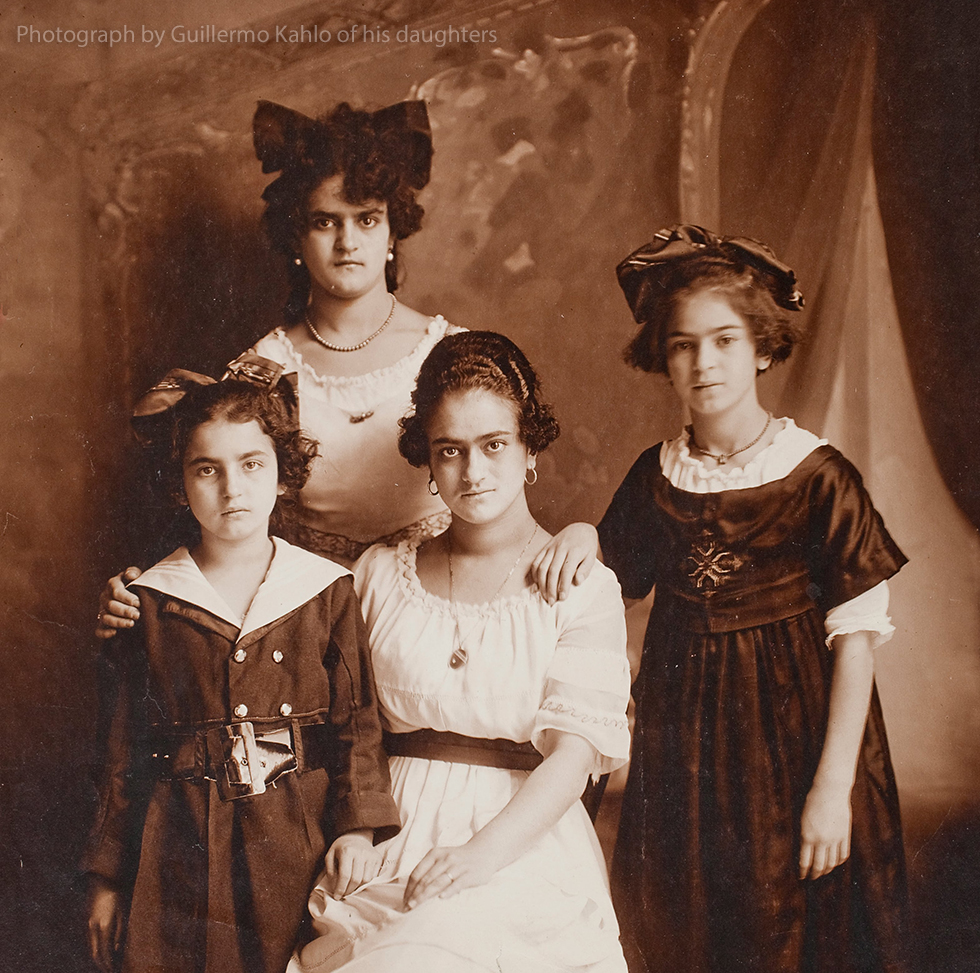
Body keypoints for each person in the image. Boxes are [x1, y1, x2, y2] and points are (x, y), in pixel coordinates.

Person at [95, 98, 589, 637]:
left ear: (393, 232)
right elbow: (222, 506)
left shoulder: (454, 356)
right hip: (307, 620)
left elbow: (504, 493)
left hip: (439, 604)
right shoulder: (262, 369)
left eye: (367, 219)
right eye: (325, 222)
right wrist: (146, 588)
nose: (348, 241)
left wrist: (583, 535)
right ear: (297, 239)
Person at [598, 225, 910, 973]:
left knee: (791, 922)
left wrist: (833, 786)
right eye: (683, 344)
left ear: (764, 347)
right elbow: (608, 585)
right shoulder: (655, 476)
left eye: (725, 340)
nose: (704, 362)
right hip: (684, 748)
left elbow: (857, 641)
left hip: (795, 737)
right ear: (662, 358)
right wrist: (581, 534)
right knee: (684, 917)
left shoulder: (817, 476)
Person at [289, 331, 632, 973]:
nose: (473, 473)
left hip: (519, 841)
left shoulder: (579, 584)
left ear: (530, 449)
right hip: (388, 832)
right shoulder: (382, 574)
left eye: (494, 445)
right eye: (451, 451)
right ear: (428, 460)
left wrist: (478, 856)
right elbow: (340, 716)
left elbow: (573, 757)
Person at [83, 362, 400, 973]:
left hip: (294, 837)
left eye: (252, 464)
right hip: (177, 846)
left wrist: (356, 829)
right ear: (179, 485)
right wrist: (106, 880)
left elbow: (356, 725)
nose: (233, 489)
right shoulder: (150, 602)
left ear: (284, 474)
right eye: (208, 470)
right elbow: (121, 753)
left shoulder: (325, 591)